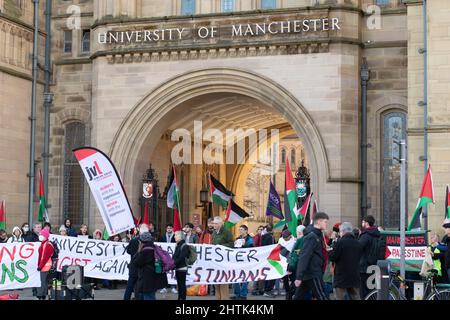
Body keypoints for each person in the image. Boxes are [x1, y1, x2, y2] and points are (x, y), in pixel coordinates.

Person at [294, 212, 330, 300]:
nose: (326, 224)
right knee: (323, 296)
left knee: (298, 297)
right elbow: (304, 256)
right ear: (318, 222)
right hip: (313, 272)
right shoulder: (312, 236)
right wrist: (299, 276)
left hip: (310, 272)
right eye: (325, 222)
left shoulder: (317, 234)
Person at [328, 222, 362, 300]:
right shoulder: (358, 243)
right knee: (356, 297)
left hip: (341, 277)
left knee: (340, 297)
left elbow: (333, 257)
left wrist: (330, 250)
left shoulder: (339, 243)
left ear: (342, 231)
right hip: (354, 276)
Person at [133, 232, 168, 300]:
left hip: (147, 279)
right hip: (153, 277)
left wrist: (138, 252)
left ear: (142, 241)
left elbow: (137, 262)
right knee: (150, 295)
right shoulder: (153, 248)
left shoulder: (146, 251)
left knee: (149, 296)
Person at [123, 224, 149, 300]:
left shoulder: (134, 240)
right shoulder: (147, 241)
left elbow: (128, 251)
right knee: (140, 287)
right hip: (141, 267)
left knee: (130, 286)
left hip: (134, 267)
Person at [358, 215, 381, 299]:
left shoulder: (365, 235)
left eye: (363, 222)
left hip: (364, 267)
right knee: (372, 291)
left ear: (367, 223)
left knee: (364, 292)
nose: (362, 223)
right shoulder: (378, 235)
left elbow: (358, 248)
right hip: (374, 266)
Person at [212, 216, 234, 300]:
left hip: (224, 260)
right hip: (216, 260)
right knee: (216, 281)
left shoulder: (226, 232)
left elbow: (232, 244)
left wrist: (220, 247)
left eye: (216, 223)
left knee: (223, 281)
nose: (214, 225)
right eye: (214, 223)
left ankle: (224, 298)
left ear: (221, 224)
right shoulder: (214, 232)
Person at [232, 225, 254, 300]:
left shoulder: (250, 239)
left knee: (246, 277)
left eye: (241, 229)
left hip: (247, 261)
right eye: (239, 229)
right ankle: (237, 293)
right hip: (238, 261)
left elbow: (252, 249)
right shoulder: (238, 238)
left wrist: (245, 245)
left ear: (246, 231)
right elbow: (234, 249)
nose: (240, 231)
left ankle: (243, 294)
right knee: (236, 277)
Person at [36, 229, 55, 300]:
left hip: (45, 266)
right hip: (44, 265)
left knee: (41, 281)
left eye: (41, 235)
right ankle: (43, 294)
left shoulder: (48, 245)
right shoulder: (43, 243)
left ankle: (40, 294)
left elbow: (45, 257)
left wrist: (40, 266)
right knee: (44, 281)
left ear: (45, 236)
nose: (40, 236)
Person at [277, 229, 296, 299]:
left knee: (293, 278)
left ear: (290, 236)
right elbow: (278, 249)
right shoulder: (280, 240)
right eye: (284, 238)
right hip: (283, 262)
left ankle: (291, 291)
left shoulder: (294, 241)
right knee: (284, 278)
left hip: (291, 262)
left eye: (286, 238)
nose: (285, 239)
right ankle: (288, 292)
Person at [173, 230, 190, 300]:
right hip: (178, 268)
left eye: (176, 235)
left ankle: (182, 298)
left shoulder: (184, 246)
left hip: (182, 268)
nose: (174, 237)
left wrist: (174, 263)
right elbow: (175, 256)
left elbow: (181, 257)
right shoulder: (177, 245)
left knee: (182, 285)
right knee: (179, 285)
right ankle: (180, 298)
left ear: (180, 237)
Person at [262, 224, 276, 298]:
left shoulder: (263, 237)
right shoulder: (271, 237)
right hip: (271, 258)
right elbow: (272, 247)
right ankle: (268, 290)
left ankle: (266, 290)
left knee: (267, 275)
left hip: (265, 258)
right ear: (272, 230)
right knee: (272, 275)